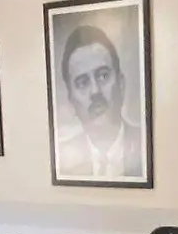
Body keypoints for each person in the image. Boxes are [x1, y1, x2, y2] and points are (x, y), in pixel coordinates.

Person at [55, 25, 143, 179]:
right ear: (71, 100)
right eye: (83, 83)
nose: (95, 91)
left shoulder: (146, 143)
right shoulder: (62, 156)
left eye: (103, 76)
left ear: (121, 84)